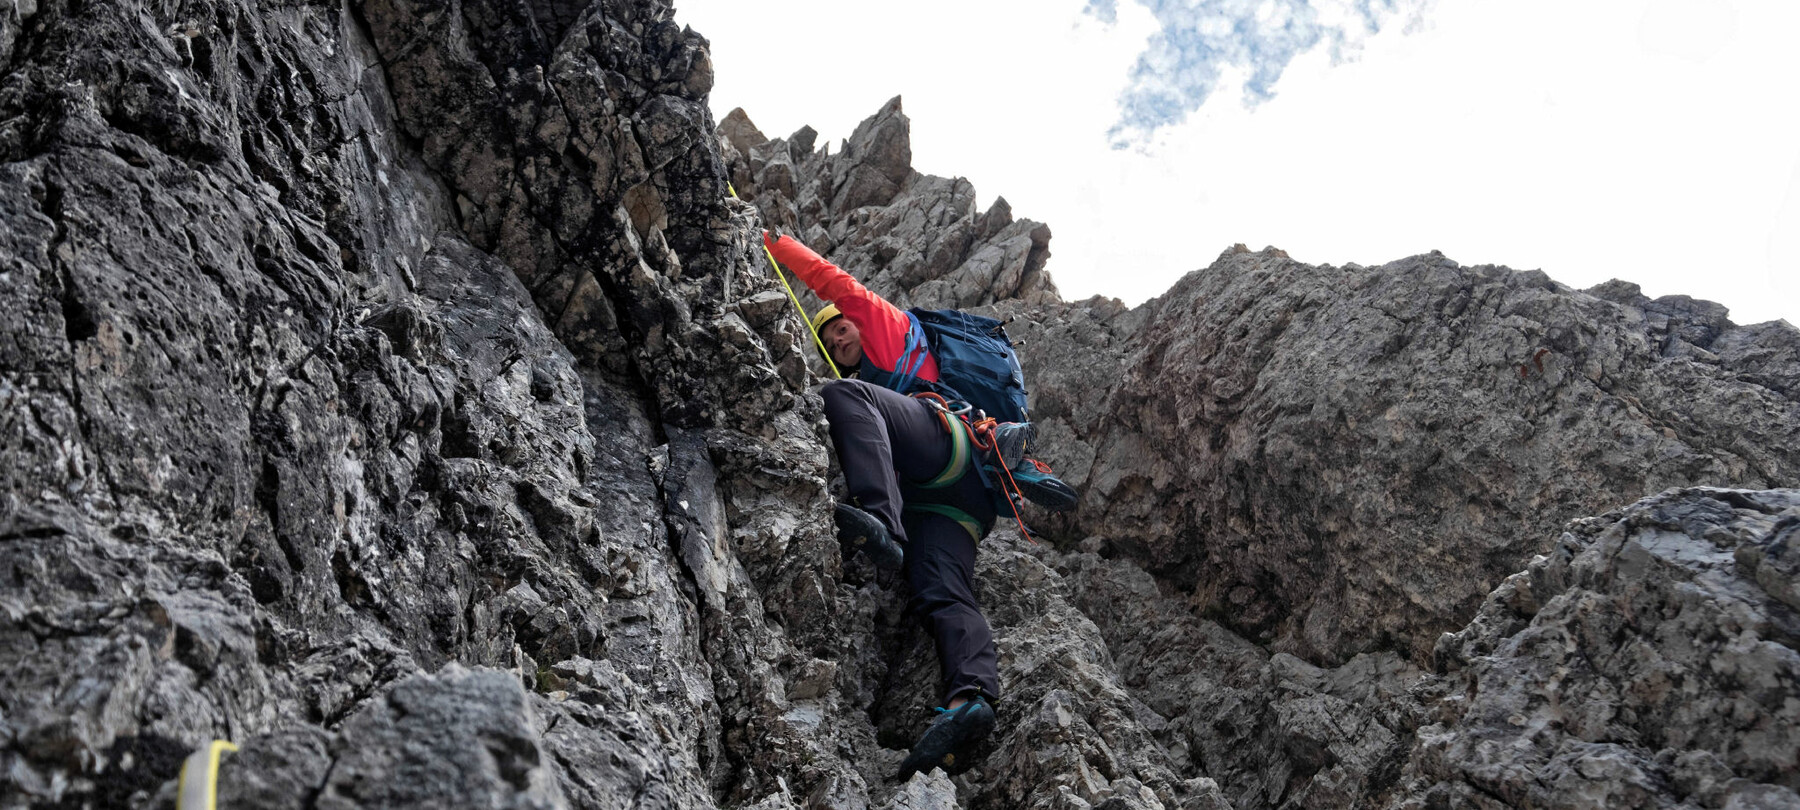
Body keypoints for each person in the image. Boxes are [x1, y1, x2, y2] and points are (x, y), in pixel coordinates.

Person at [762, 231, 1077, 780]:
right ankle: (971, 697)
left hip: (946, 442)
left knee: (842, 397)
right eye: (831, 343)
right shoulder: (874, 373)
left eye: (842, 328)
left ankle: (882, 521)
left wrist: (775, 244)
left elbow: (835, 283)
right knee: (941, 590)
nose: (841, 339)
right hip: (957, 504)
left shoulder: (890, 331)